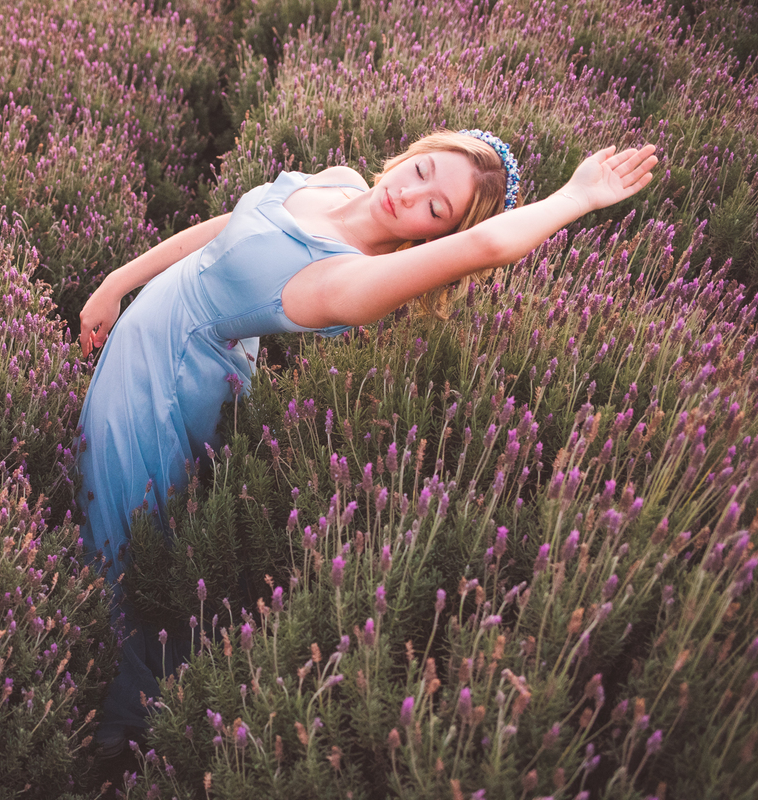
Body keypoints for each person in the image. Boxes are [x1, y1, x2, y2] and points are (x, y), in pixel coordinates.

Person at [74, 129, 658, 754]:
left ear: (438, 236)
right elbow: (226, 226)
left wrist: (578, 195)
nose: (410, 194)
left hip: (156, 387)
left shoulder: (347, 283)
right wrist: (118, 280)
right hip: (160, 345)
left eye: (436, 209)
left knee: (118, 547)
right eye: (422, 170)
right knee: (118, 525)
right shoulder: (341, 181)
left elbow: (489, 244)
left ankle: (121, 728)